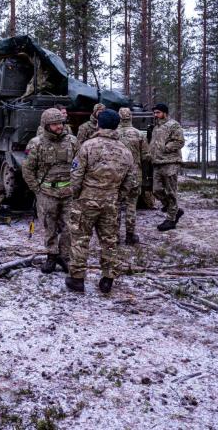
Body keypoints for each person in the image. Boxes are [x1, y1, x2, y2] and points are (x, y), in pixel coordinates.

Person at [66, 109, 136, 295]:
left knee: (80, 239)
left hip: (87, 200)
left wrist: (77, 195)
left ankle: (77, 279)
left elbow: (76, 176)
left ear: (98, 124)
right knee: (109, 240)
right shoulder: (125, 151)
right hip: (111, 201)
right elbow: (130, 180)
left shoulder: (88, 146)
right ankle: (107, 279)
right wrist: (117, 195)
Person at [23, 108, 79, 274]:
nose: (59, 127)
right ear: (46, 125)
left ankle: (63, 255)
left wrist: (76, 187)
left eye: (60, 123)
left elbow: (80, 166)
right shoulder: (36, 144)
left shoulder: (73, 142)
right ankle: (51, 256)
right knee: (49, 227)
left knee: (71, 226)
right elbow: (27, 170)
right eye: (54, 124)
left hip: (68, 193)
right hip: (47, 193)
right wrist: (37, 190)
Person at [147, 103, 185, 232]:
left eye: (157, 112)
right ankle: (174, 210)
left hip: (170, 162)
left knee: (171, 192)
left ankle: (171, 220)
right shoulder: (156, 126)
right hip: (157, 162)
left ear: (164, 112)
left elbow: (180, 142)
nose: (155, 115)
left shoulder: (173, 125)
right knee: (156, 190)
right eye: (154, 113)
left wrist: (166, 148)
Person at [116, 108, 146, 245]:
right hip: (134, 174)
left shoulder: (113, 134)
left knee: (115, 205)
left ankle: (114, 236)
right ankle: (130, 235)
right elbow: (146, 155)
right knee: (131, 205)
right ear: (131, 117)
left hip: (116, 174)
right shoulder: (139, 134)